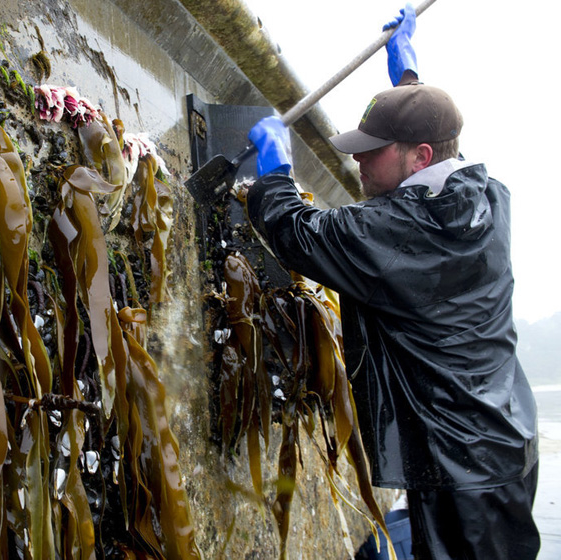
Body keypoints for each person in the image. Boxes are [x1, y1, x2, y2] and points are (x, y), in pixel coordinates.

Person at [244, 4, 540, 559]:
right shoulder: (484, 195)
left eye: (371, 152)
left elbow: (297, 233)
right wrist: (408, 82)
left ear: (418, 157)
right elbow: (438, 138)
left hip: (462, 470)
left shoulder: (402, 229)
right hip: (502, 439)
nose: (358, 162)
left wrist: (276, 176)